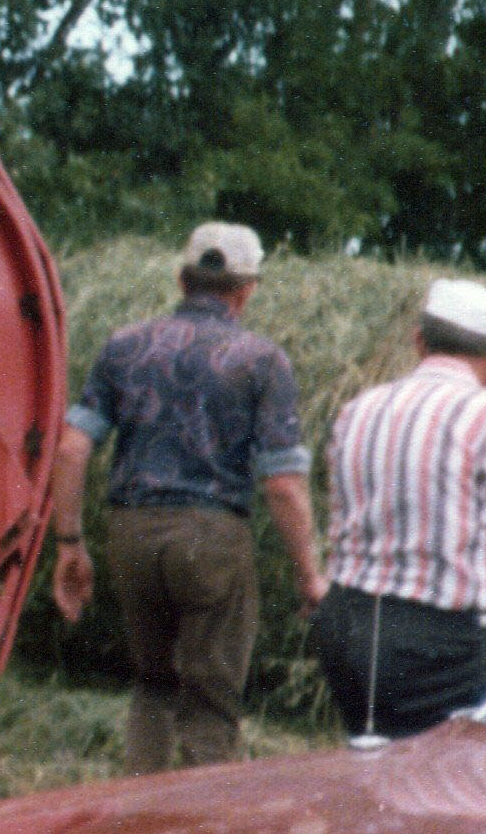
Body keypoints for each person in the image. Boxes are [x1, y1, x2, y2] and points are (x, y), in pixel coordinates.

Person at [48, 221, 326, 772]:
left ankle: (139, 819)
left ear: (181, 279)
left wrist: (69, 544)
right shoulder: (262, 360)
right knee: (211, 703)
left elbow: (72, 449)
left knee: (153, 685)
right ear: (247, 289)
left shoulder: (123, 345)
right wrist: (307, 575)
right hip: (212, 538)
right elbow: (283, 484)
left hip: (131, 534)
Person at [310, 278, 486, 741]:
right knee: (436, 793)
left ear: (418, 340)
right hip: (434, 641)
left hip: (344, 623)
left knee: (366, 775)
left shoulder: (357, 409)